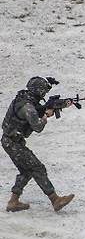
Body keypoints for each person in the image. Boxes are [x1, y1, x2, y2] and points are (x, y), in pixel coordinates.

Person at [2, 76, 74, 212]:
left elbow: (38, 109)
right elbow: (38, 127)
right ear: (38, 91)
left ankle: (13, 201)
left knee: (26, 171)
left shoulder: (24, 99)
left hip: (11, 142)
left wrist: (61, 105)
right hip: (13, 143)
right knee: (37, 168)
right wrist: (46, 115)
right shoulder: (27, 106)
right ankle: (55, 200)